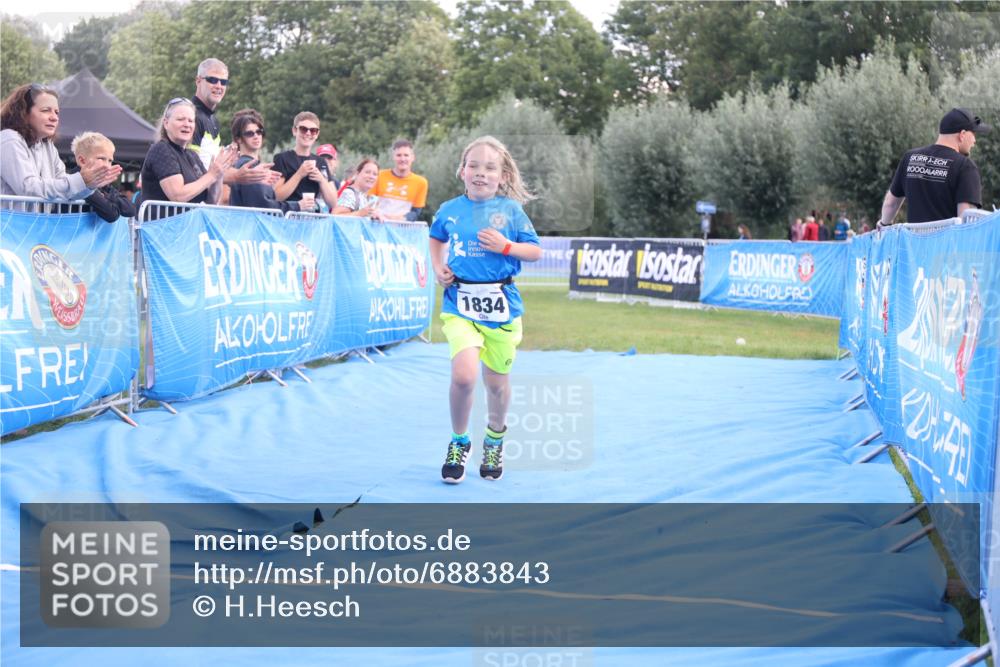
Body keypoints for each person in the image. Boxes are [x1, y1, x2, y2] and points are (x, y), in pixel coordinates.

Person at [429, 136, 542, 483]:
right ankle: (459, 441)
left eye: (489, 167)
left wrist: (506, 245)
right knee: (463, 376)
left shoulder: (511, 211)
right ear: (462, 170)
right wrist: (438, 267)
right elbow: (436, 238)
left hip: (501, 309)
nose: (480, 173)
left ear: (503, 175)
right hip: (459, 303)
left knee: (495, 385)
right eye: (473, 165)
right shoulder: (449, 209)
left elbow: (534, 251)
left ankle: (494, 438)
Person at [1, 83, 118, 199]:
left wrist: (90, 185)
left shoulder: (48, 146)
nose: (54, 117)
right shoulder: (9, 139)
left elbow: (64, 191)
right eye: (46, 110)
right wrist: (81, 180)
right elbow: (28, 188)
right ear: (24, 112)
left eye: (56, 112)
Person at [879, 107, 991, 225]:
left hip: (914, 243)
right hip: (946, 243)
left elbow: (890, 204)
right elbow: (966, 220)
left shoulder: (910, 158)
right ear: (962, 134)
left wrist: (883, 224)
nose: (975, 141)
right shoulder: (965, 167)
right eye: (973, 133)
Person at [188, 58, 277, 195]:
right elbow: (193, 169)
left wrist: (250, 175)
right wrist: (238, 176)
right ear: (198, 81)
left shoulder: (213, 119)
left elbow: (212, 169)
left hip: (202, 206)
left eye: (224, 82)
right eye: (212, 80)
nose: (219, 86)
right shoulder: (190, 115)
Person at [138, 97, 237, 213]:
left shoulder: (192, 155)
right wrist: (211, 175)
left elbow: (212, 200)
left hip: (190, 228)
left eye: (191, 121)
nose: (187, 124)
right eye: (180, 119)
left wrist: (219, 173)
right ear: (166, 123)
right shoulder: (161, 149)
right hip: (163, 228)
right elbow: (177, 196)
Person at [227, 109, 299, 213]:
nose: (256, 136)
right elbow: (263, 206)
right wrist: (297, 206)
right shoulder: (248, 166)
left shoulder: (245, 164)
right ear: (238, 139)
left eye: (259, 132)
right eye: (249, 133)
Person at [273, 111, 338, 212]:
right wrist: (299, 174)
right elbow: (276, 196)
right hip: (288, 219)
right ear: (295, 131)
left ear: (317, 134)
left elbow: (333, 203)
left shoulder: (321, 162)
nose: (308, 133)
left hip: (312, 220)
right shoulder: (282, 158)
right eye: (303, 129)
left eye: (313, 130)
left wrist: (321, 179)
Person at [71, 132, 136, 222]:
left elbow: (131, 209)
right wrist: (107, 197)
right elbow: (111, 214)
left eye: (110, 161)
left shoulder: (102, 181)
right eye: (101, 158)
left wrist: (106, 196)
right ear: (82, 160)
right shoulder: (76, 178)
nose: (107, 166)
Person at [372, 138, 428, 221]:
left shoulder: (421, 182)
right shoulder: (379, 175)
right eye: (399, 155)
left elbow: (416, 213)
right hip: (377, 225)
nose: (402, 159)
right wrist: (376, 214)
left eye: (406, 155)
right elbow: (369, 203)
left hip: (402, 229)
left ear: (412, 158)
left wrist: (397, 219)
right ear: (393, 157)